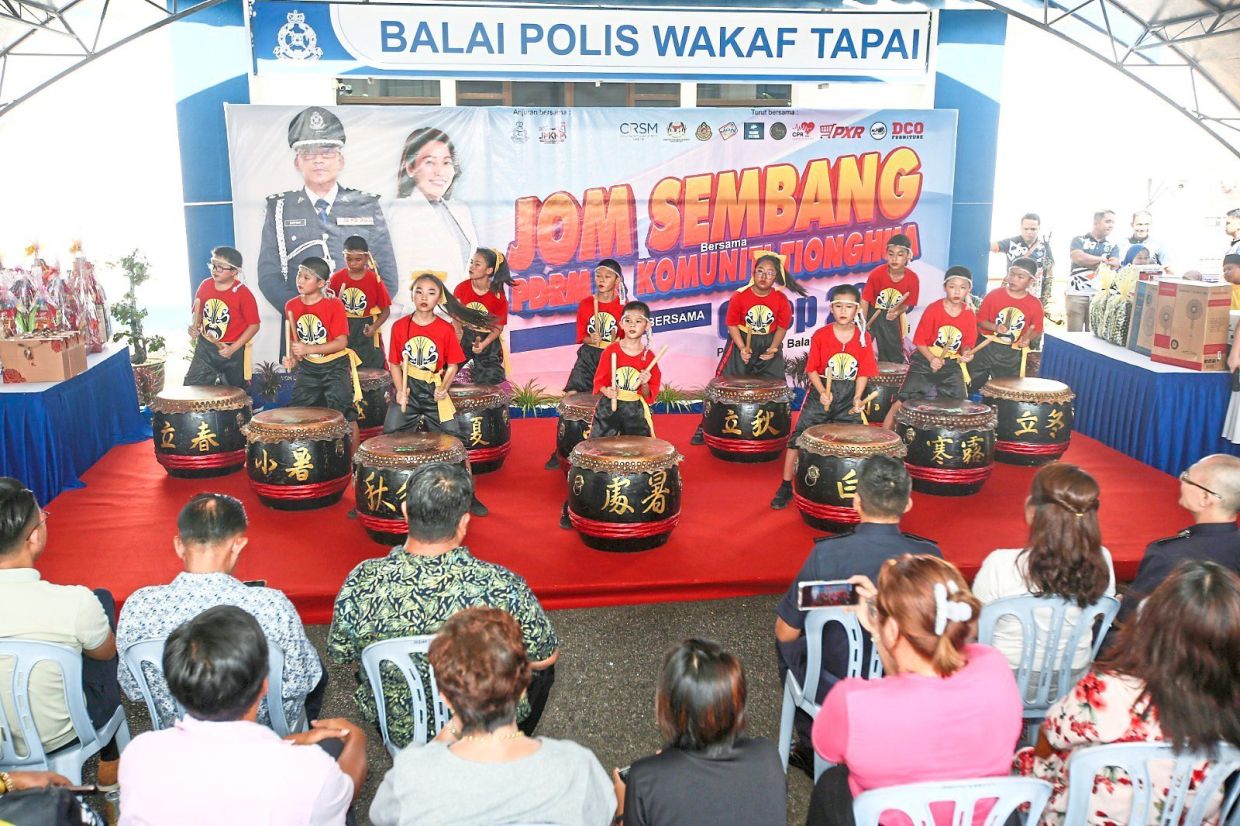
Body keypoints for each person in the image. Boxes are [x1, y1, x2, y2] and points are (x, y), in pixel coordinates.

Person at [327, 463, 559, 749]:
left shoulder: (362, 579)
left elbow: (340, 652)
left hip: (403, 730)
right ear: (464, 521)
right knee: (539, 670)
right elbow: (544, 657)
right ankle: (506, 743)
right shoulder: (500, 584)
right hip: (480, 726)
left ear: (405, 511)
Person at [1015, 561, 1240, 825]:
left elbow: (1049, 739)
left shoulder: (1106, 690)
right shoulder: (1229, 704)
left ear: (1152, 623)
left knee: (1028, 762)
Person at [806, 555, 1023, 825]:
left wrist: (879, 631)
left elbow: (827, 749)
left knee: (832, 783)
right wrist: (891, 617)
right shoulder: (995, 667)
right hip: (981, 818)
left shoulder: (853, 701)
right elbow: (937, 665)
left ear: (893, 629)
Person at [118, 606, 367, 825]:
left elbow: (224, 759)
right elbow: (345, 792)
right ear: (264, 685)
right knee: (333, 748)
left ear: (175, 686)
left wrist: (293, 742)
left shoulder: (139, 754)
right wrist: (356, 738)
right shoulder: (308, 772)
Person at [773, 456, 942, 773]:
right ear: (907, 505)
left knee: (788, 634)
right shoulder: (930, 557)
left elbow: (787, 631)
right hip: (907, 674)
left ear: (856, 501)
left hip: (834, 683)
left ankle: (812, 741)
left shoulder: (828, 556)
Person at [370, 607, 614, 826]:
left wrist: (443, 739)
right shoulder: (576, 766)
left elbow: (382, 817)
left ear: (445, 697)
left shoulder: (411, 775)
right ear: (521, 688)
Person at [116, 493, 325, 730]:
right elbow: (300, 682)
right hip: (260, 729)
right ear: (238, 544)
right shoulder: (272, 606)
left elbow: (133, 687)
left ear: (178, 545)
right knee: (316, 668)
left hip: (178, 730)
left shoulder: (138, 607)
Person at [0, 479, 122, 788]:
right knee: (101, 606)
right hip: (63, 734)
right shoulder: (73, 601)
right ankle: (111, 761)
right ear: (35, 536)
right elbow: (106, 654)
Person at [257, 106, 397, 343]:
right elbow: (268, 275)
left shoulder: (365, 204)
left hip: (357, 326)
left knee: (363, 380)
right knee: (304, 381)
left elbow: (387, 276)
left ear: (341, 160)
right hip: (303, 327)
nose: (319, 160)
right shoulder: (280, 208)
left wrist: (356, 313)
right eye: (309, 153)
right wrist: (302, 309)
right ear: (297, 161)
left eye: (327, 152)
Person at [613, 639, 785, 826]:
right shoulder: (767, 756)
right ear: (737, 702)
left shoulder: (645, 779)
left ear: (667, 706)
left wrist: (623, 808)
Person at [972, 463, 1115, 683]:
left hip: (1003, 679)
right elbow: (1098, 616)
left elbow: (975, 625)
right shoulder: (1103, 559)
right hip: (1072, 677)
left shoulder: (1000, 564)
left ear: (1031, 510)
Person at [770, 284, 878, 510]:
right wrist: (822, 392)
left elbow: (864, 372)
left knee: (857, 442)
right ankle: (786, 485)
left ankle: (859, 488)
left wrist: (858, 398)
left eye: (849, 306)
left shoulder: (863, 337)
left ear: (857, 309)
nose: (843, 310)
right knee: (798, 438)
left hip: (849, 393)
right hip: (822, 393)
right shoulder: (821, 334)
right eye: (838, 305)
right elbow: (812, 369)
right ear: (831, 308)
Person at [1113, 454, 1240, 630]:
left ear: (1205, 498)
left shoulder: (1168, 555)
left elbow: (1129, 617)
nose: (1181, 481)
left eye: (1186, 478)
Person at [690, 250, 803, 445]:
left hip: (768, 342)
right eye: (760, 271)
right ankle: (705, 425)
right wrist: (742, 347)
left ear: (775, 277)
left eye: (769, 273)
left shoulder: (781, 300)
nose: (764, 276)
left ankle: (780, 431)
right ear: (753, 273)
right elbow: (732, 324)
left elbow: (783, 326)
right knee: (724, 385)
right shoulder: (740, 296)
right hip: (741, 340)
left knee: (776, 387)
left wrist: (774, 349)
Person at [387, 127, 479, 323]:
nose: (440, 171)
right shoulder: (401, 211)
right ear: (410, 168)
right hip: (422, 322)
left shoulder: (459, 210)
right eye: (430, 162)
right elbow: (398, 280)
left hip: (460, 320)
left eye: (446, 162)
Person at [544, 259, 626, 469]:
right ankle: (560, 449)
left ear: (617, 280)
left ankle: (612, 448)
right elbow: (581, 336)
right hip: (589, 356)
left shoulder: (623, 307)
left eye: (607, 276)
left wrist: (617, 340)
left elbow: (628, 339)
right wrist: (592, 338)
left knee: (611, 402)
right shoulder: (587, 304)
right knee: (571, 397)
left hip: (611, 359)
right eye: (599, 276)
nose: (601, 280)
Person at [882, 266, 977, 430]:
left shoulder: (969, 313)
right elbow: (920, 341)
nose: (957, 292)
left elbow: (967, 344)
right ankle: (885, 438)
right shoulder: (934, 309)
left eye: (962, 288)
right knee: (904, 400)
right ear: (945, 287)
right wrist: (932, 359)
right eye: (952, 286)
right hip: (925, 359)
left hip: (951, 363)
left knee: (958, 403)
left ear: (969, 289)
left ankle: (949, 442)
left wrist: (967, 353)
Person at [282, 257, 360, 447]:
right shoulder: (291, 305)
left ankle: (355, 463)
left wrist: (309, 349)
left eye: (306, 277)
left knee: (344, 414)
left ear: (321, 283)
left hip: (334, 366)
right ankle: (309, 457)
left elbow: (341, 342)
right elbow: (296, 341)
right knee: (300, 412)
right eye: (299, 275)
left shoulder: (333, 305)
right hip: (309, 368)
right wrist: (293, 358)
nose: (300, 280)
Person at [184, 246, 260, 388]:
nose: (215, 270)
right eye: (213, 266)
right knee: (193, 388)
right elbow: (199, 312)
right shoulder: (205, 285)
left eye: (220, 267)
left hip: (233, 350)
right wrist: (194, 326)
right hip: (206, 347)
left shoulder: (243, 294)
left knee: (234, 395)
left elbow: (254, 325)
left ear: (234, 272)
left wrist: (233, 348)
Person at [966, 256, 1045, 393]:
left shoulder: (1034, 304)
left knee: (1005, 390)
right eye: (1012, 274)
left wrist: (1026, 339)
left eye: (1020, 277)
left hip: (1012, 353)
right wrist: (996, 327)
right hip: (986, 347)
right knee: (972, 384)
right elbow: (980, 320)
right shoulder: (994, 295)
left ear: (1031, 280)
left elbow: (1037, 329)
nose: (1014, 279)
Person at [592, 300, 662, 439]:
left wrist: (645, 383)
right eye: (628, 320)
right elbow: (599, 381)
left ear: (647, 325)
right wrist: (607, 391)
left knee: (638, 448)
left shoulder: (649, 357)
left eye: (638, 321)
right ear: (621, 324)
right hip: (609, 407)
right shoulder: (610, 351)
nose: (632, 325)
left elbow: (648, 395)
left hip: (634, 409)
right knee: (600, 446)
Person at [328, 235, 391, 370]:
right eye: (349, 259)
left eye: (358, 259)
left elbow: (386, 311)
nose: (353, 263)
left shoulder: (374, 279)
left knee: (368, 367)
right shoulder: (336, 278)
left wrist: (374, 327)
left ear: (367, 258)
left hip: (365, 329)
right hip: (343, 328)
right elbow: (327, 307)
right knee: (343, 366)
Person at [452, 248, 514, 386]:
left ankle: (488, 404)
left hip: (487, 340)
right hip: (464, 335)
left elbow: (498, 328)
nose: (471, 267)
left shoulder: (498, 297)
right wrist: (458, 332)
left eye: (477, 264)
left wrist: (484, 344)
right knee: (445, 369)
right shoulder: (461, 288)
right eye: (472, 262)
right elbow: (455, 314)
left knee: (490, 376)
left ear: (489, 271)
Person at [861, 233, 920, 363]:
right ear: (886, 254)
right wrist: (863, 323)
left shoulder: (913, 279)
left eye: (900, 254)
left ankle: (890, 378)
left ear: (908, 256)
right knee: (861, 344)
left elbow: (906, 305)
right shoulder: (877, 274)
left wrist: (896, 312)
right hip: (873, 311)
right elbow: (865, 300)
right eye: (891, 254)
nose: (895, 259)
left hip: (893, 315)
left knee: (893, 351)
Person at [1066, 210, 1121, 332]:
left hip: (1099, 296)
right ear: (1096, 222)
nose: (1111, 225)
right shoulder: (1079, 240)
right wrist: (1102, 259)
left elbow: (1114, 264)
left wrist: (1089, 260)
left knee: (1094, 336)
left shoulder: (1112, 246)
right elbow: (1078, 257)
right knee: (1074, 336)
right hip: (1076, 294)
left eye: (1113, 222)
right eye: (1107, 221)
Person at [991, 213, 1055, 312]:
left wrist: (1046, 294)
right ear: (1021, 228)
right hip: (1012, 292)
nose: (1029, 232)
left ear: (1039, 228)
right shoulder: (1011, 242)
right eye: (1026, 229)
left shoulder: (1044, 246)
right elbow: (991, 246)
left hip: (1034, 294)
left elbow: (1049, 270)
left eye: (1033, 229)